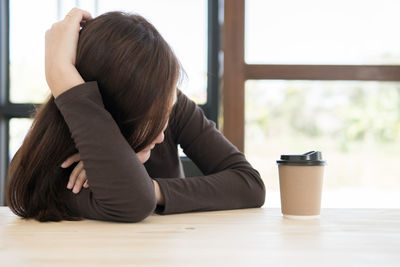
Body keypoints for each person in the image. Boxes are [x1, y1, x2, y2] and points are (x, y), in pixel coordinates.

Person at [5, 8, 265, 222]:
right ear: (110, 114)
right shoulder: (65, 162)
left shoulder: (169, 102)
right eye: (152, 121)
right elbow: (135, 201)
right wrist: (60, 73)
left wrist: (156, 189)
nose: (162, 136)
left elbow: (249, 184)